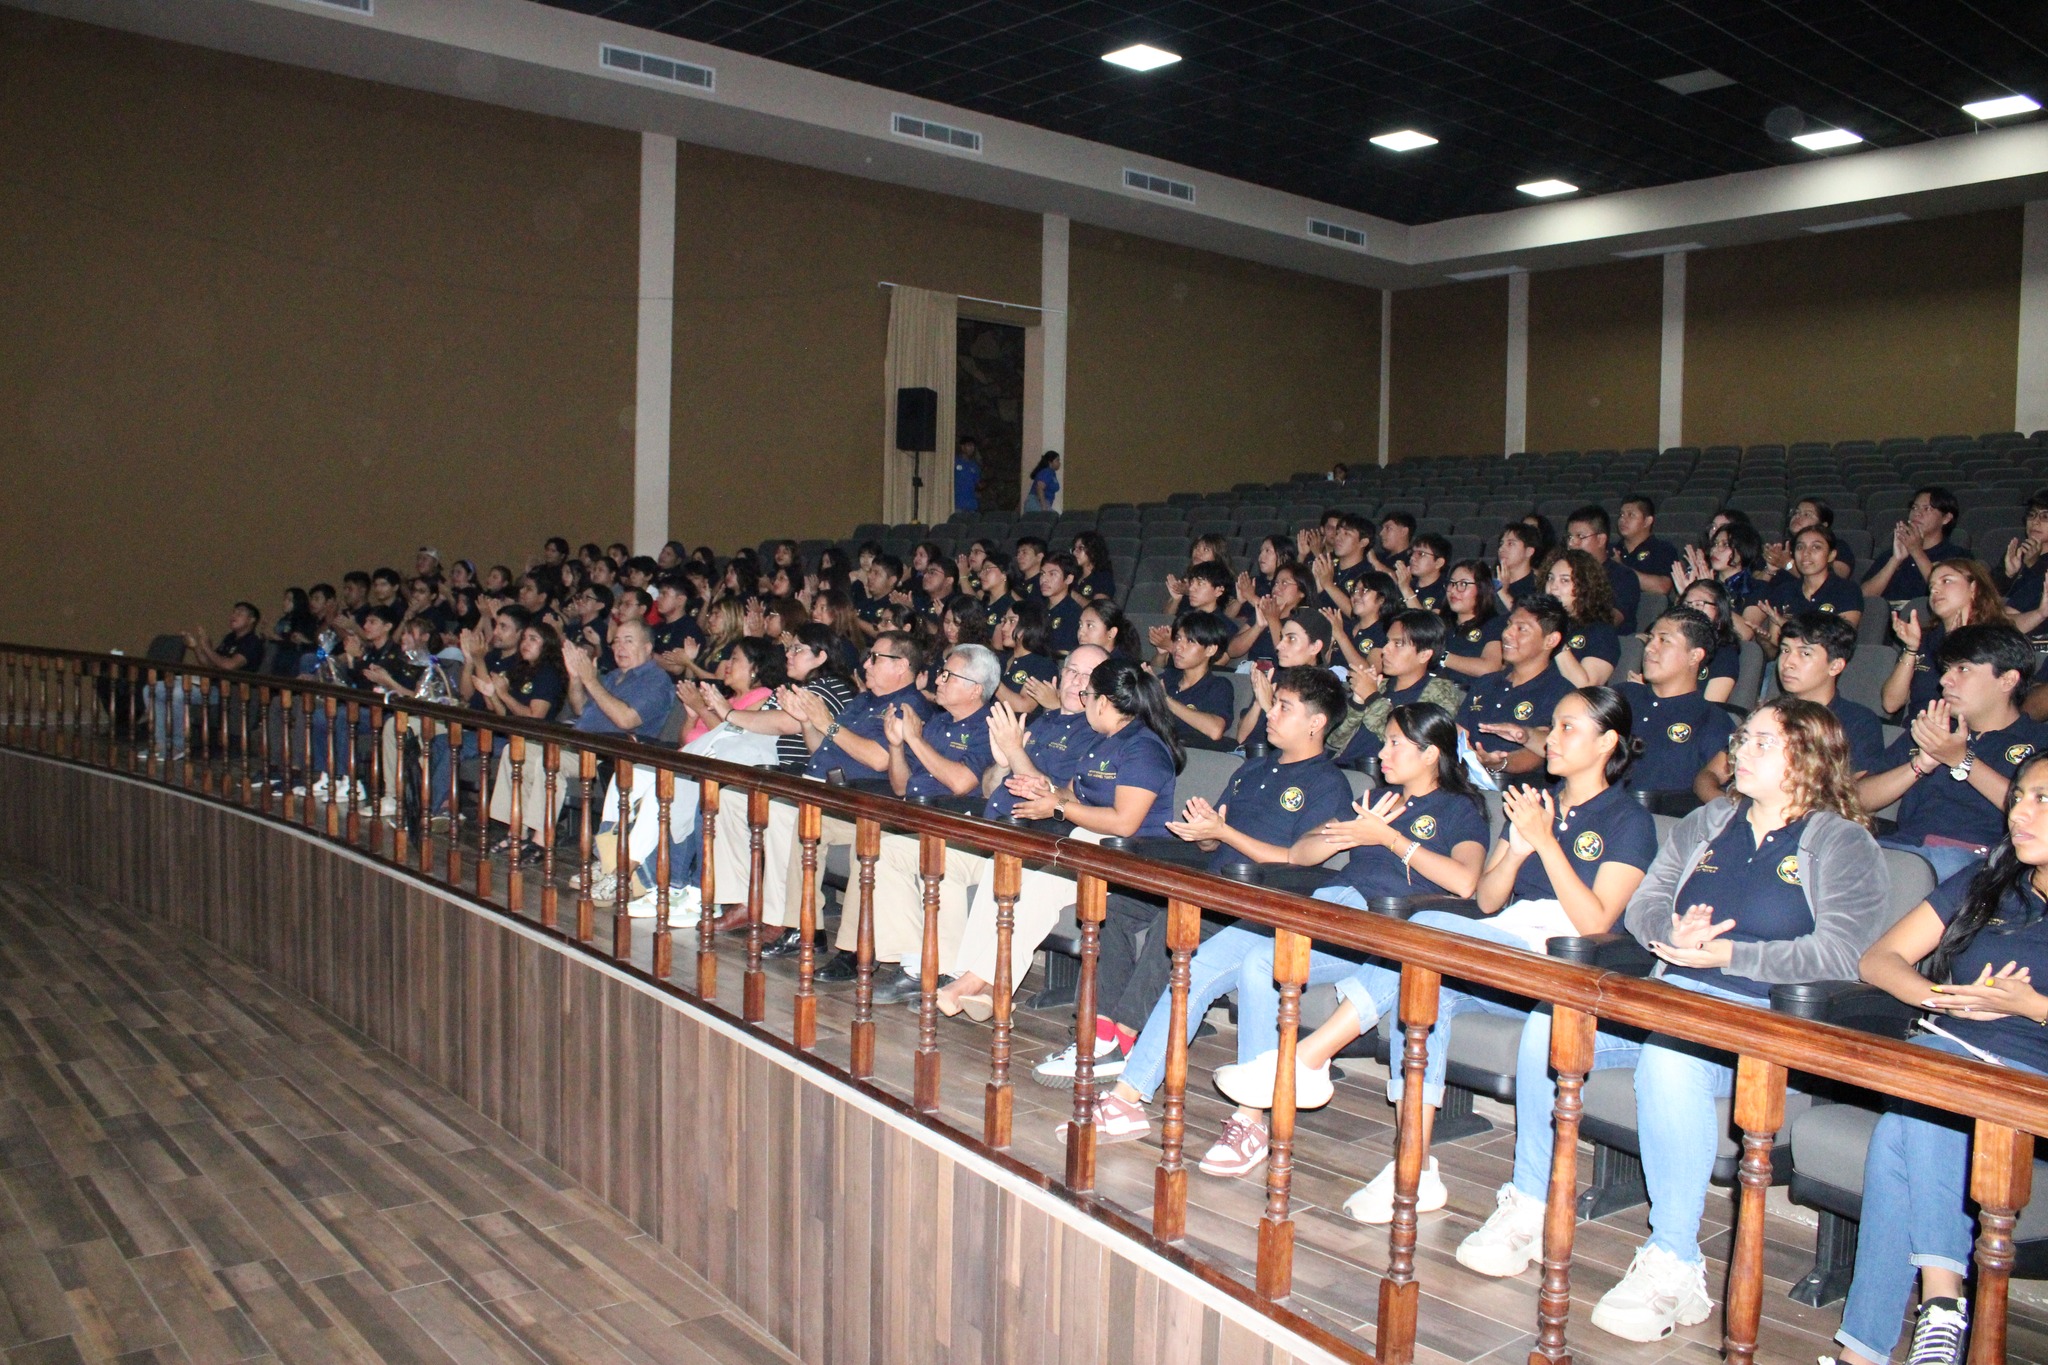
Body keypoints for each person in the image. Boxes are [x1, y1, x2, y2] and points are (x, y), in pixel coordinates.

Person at [1456, 699, 1892, 1348]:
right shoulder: (1712, 819)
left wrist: (1730, 954)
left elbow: (1845, 954)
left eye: (1761, 742)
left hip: (1763, 1023)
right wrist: (1671, 933)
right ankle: (1530, 1199)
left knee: (1672, 1056)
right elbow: (1646, 905)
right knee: (1557, 1020)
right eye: (1742, 738)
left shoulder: (1840, 840)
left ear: (1806, 757)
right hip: (1673, 996)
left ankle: (1676, 1261)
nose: (1739, 750)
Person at [1219, 687, 1652, 1214]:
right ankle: (1414, 1167)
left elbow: (1596, 920)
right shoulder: (1536, 803)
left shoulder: (1629, 820)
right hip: (1501, 946)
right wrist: (1517, 850)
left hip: (1559, 962)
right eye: (1553, 725)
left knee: (1423, 935)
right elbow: (1491, 898)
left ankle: (1306, 1059)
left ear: (1607, 742)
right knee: (1423, 992)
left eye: (1567, 728)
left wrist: (1545, 843)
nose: (1550, 738)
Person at [1189, 703, 1488, 1179]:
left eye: (1395, 743)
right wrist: (1341, 837)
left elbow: (1466, 882)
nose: (1383, 753)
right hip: (1338, 903)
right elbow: (1300, 853)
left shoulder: (1460, 809)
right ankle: (1262, 1106)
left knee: (1278, 960)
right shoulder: (1376, 798)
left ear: (1431, 754)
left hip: (1392, 922)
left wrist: (1388, 838)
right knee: (1259, 960)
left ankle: (1254, 1111)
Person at [1041, 669, 1355, 1106]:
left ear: (1316, 723)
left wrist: (1224, 835)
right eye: (1274, 702)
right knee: (1115, 907)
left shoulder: (1328, 783)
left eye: (1285, 707)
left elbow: (1303, 857)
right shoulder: (1255, 767)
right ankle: (1103, 1030)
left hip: (1256, 900)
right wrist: (1205, 832)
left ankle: (1127, 1037)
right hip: (1208, 879)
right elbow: (1214, 837)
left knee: (1177, 920)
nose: (1272, 713)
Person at [1827, 752, 2048, 1365]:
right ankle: (1931, 1316)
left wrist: (2033, 1007)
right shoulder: (1989, 883)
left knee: (1915, 1108)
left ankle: (1898, 1328)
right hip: (1947, 1062)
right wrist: (1938, 996)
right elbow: (1878, 959)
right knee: (1912, 1112)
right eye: (2021, 797)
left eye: (2043, 801)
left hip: (2031, 1087)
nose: (2022, 813)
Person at [926, 657, 1181, 1015]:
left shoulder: (1144, 748)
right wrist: (1045, 791)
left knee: (1044, 887)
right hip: (1089, 841)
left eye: (1087, 693)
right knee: (1008, 870)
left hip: (1130, 856)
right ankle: (979, 986)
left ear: (1103, 702)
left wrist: (1058, 809)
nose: (1081, 698)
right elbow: (1077, 795)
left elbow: (1125, 822)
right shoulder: (1104, 741)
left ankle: (972, 982)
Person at [1861, 624, 2048, 880]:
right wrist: (1920, 765)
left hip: (1978, 864)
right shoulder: (1934, 729)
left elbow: (2035, 811)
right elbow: (1856, 799)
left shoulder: (2039, 743)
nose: (1944, 680)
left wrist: (1962, 760)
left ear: (2007, 680)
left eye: (1963, 669)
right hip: (1902, 850)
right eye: (1947, 669)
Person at [486, 620, 673, 863]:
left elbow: (627, 719)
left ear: (648, 648)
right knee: (516, 751)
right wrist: (576, 679)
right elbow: (581, 708)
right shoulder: (615, 676)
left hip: (613, 755)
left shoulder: (656, 680)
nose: (620, 647)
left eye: (628, 640)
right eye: (616, 641)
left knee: (548, 759)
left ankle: (542, 841)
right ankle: (516, 833)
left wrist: (591, 680)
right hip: (580, 744)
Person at [1694, 611, 1884, 803]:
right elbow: (1709, 775)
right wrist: (1724, 806)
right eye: (1785, 650)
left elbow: (1849, 798)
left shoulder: (1858, 722)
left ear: (1835, 666)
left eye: (1805, 653)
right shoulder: (1768, 715)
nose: (1788, 663)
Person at [1617, 608, 1734, 798]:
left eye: (1664, 640)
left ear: (1695, 656)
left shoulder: (1712, 720)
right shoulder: (1621, 695)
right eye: (1650, 638)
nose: (1649, 648)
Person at [1328, 610, 1462, 768]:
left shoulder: (1440, 692)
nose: (1385, 650)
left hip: (1378, 777)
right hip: (1339, 768)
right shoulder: (1381, 685)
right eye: (1387, 642)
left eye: (1397, 644)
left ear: (1424, 655)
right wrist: (1358, 701)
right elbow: (1334, 741)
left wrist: (1372, 698)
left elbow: (1413, 743)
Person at [1880, 558, 2010, 720]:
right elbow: (1890, 703)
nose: (1935, 590)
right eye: (1931, 586)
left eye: (1946, 581)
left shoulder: (1998, 639)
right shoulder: (1924, 639)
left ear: (1973, 588)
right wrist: (1911, 649)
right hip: (1918, 732)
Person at [1465, 596, 1576, 780]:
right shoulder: (1486, 682)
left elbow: (1540, 753)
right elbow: (1461, 732)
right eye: (1509, 625)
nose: (1507, 633)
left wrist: (1500, 763)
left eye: (1521, 629)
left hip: (1519, 790)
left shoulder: (1561, 694)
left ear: (1550, 640)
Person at [154, 602, 264, 760]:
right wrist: (196, 647)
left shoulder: (253, 643)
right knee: (156, 688)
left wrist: (206, 648)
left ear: (251, 620)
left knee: (178, 693)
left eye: (240, 613)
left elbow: (229, 666)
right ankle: (161, 743)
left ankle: (178, 746)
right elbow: (209, 664)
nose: (233, 616)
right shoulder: (230, 638)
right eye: (233, 612)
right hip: (210, 685)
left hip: (228, 691)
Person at [1752, 524, 1863, 652]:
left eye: (1816, 547)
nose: (1806, 553)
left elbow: (1841, 642)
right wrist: (1764, 641)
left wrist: (1789, 626)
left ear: (1831, 555)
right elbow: (1776, 654)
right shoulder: (1784, 591)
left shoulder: (1846, 590)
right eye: (1800, 547)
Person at [1233, 611, 1334, 751]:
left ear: (1315, 647)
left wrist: (1267, 704)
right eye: (1282, 638)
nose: (1279, 646)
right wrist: (1258, 702)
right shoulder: (1276, 678)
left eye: (1291, 639)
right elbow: (1242, 738)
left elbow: (1298, 748)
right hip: (1249, 757)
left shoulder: (1325, 689)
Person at [1864, 485, 1966, 609]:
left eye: (1927, 509)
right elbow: (1864, 598)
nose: (1917, 513)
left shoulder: (1957, 556)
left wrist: (1917, 552)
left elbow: (1949, 593)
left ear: (1946, 518)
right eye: (1914, 508)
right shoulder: (1890, 555)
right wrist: (1895, 560)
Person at [1540, 548, 1620, 687]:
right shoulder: (1538, 623)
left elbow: (1586, 687)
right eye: (1550, 578)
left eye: (1564, 580)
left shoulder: (1600, 632)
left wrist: (1556, 640)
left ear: (1585, 587)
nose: (1553, 587)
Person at [1157, 612, 1237, 747]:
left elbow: (1215, 730)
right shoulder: (1167, 678)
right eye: (1177, 639)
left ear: (1210, 650)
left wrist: (1165, 700)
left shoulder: (1218, 686)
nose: (1178, 647)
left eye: (1189, 641)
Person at [1566, 505, 1639, 629]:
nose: (1572, 544)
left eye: (1580, 537)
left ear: (1601, 540)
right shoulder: (1564, 572)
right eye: (1570, 537)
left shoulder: (1622, 576)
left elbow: (1611, 619)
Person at [1678, 576, 1742, 704]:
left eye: (1699, 604)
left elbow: (1709, 710)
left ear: (1719, 612)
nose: (1691, 611)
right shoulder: (1673, 646)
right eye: (1687, 605)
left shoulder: (1724, 655)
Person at [1439, 558, 1503, 680]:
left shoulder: (1495, 624)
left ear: (1481, 588)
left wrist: (1442, 657)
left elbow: (1489, 668)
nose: (1453, 590)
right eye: (1452, 583)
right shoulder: (1441, 622)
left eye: (1463, 584)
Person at [1614, 496, 1680, 596]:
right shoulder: (1611, 550)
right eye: (1621, 515)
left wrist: (1622, 569)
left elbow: (1662, 587)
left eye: (1631, 515)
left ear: (1647, 521)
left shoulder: (1662, 549)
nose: (1623, 519)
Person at [1038, 553, 1084, 653]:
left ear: (1068, 579)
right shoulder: (1037, 608)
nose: (1044, 579)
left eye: (1052, 574)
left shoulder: (1073, 613)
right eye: (1042, 573)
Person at [1495, 522, 1543, 611]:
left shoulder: (1538, 587)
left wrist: (1503, 592)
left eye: (1510, 544)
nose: (1501, 549)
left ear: (1529, 551)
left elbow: (1528, 618)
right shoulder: (1490, 583)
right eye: (1501, 544)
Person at [953, 436, 982, 514]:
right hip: (957, 504)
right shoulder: (954, 462)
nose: (971, 448)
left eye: (973, 446)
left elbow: (978, 484)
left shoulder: (974, 466)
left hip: (971, 505)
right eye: (969, 445)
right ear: (962, 447)